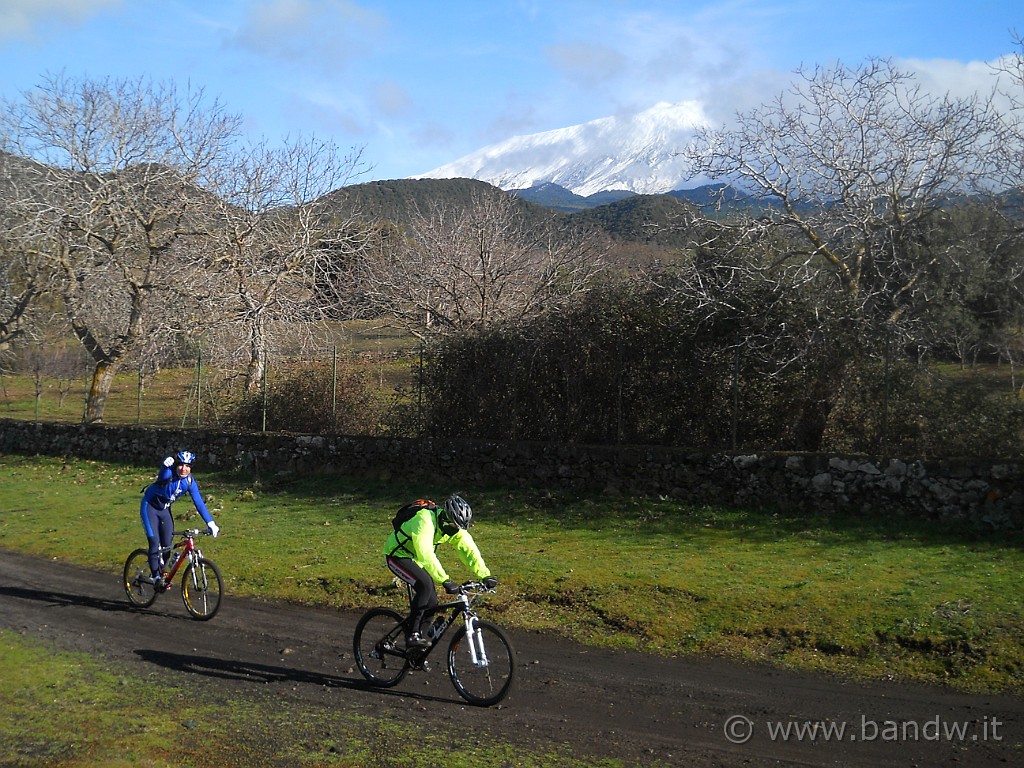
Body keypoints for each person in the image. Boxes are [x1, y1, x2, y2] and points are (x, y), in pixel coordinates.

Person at [384, 493, 497, 647]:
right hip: (397, 556)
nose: (455, 531)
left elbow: (470, 551)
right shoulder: (424, 520)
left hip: (416, 559)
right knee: (425, 585)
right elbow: (425, 553)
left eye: (458, 528)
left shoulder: (455, 528)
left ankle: (417, 646)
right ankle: (412, 635)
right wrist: (444, 580)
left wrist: (485, 575)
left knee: (432, 602)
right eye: (453, 526)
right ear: (445, 517)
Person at [139, 450, 220, 587]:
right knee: (154, 541)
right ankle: (155, 577)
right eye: (181, 465)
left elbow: (199, 503)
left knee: (167, 545)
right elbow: (162, 475)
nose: (184, 469)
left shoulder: (189, 482)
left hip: (164, 510)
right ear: (176, 465)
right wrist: (165, 466)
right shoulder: (169, 475)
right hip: (150, 508)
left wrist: (211, 523)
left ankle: (163, 570)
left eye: (187, 466)